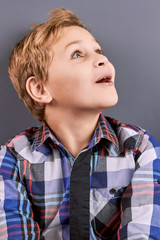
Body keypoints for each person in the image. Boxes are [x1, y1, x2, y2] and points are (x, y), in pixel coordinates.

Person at [0, 8, 160, 240]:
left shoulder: (140, 148)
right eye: (77, 54)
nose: (102, 59)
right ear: (40, 89)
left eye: (98, 50)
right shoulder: (12, 158)